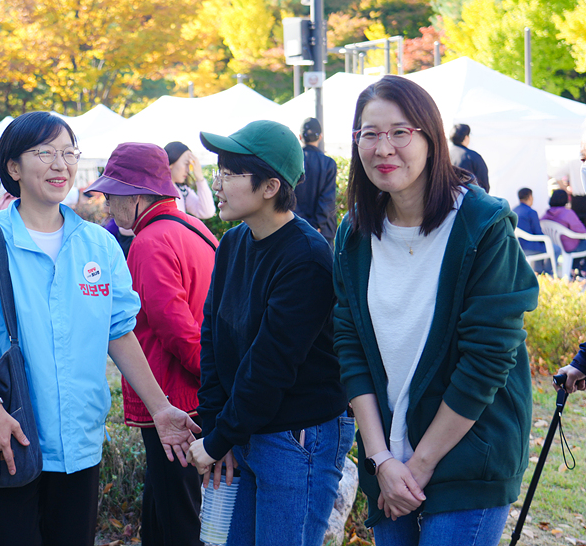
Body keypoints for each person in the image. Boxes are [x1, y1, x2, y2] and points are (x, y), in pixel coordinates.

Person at [0, 111, 199, 546]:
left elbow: (119, 332)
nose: (60, 164)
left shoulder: (98, 243)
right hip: (10, 431)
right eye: (45, 152)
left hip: (79, 439)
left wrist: (160, 408)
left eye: (68, 153)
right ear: (13, 167)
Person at [333, 76, 537, 546]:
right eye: (369, 133)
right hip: (386, 459)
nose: (384, 147)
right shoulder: (355, 233)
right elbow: (350, 348)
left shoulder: (481, 225)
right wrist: (381, 458)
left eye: (400, 132)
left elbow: (486, 360)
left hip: (469, 453)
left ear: (431, 137)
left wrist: (417, 466)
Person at [183, 120, 351, 546]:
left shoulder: (307, 258)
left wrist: (222, 436)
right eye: (217, 170)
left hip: (298, 437)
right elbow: (213, 337)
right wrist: (217, 429)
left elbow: (270, 363)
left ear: (270, 186)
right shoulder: (234, 242)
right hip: (247, 428)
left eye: (230, 173)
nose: (217, 183)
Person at [85, 143, 218, 546]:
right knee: (164, 504)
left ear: (137, 195)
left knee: (179, 513)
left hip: (174, 396)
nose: (107, 205)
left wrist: (212, 378)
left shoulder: (150, 241)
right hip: (190, 391)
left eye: (111, 195)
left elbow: (175, 328)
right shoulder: (194, 226)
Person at [293, 117, 338, 247]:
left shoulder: (292, 162)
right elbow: (328, 200)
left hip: (295, 229)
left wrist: (303, 224)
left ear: (300, 137)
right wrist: (317, 225)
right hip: (323, 232)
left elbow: (289, 196)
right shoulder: (328, 163)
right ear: (320, 137)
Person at [164, 142, 216, 220]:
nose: (188, 170)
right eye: (186, 163)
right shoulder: (155, 192)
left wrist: (200, 178)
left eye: (190, 165)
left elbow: (207, 212)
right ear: (170, 162)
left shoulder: (183, 191)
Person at [514, 188, 549, 272]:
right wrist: (547, 240)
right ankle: (548, 273)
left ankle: (538, 271)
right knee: (555, 248)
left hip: (518, 245)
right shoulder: (531, 212)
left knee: (542, 245)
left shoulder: (514, 210)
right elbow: (538, 233)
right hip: (529, 246)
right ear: (530, 197)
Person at [448, 124, 489, 193]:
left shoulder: (444, 155)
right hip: (469, 199)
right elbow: (484, 185)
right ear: (466, 138)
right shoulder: (473, 156)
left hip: (447, 199)